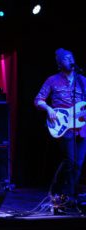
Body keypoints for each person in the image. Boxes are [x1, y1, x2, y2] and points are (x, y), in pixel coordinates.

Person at [34, 48, 86, 205]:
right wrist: (49, 109)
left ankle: (68, 196)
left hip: (82, 127)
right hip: (63, 126)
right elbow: (38, 100)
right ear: (59, 62)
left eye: (72, 57)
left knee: (79, 163)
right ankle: (59, 192)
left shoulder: (82, 80)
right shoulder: (52, 80)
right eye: (66, 58)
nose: (70, 60)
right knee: (69, 161)